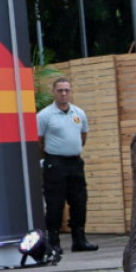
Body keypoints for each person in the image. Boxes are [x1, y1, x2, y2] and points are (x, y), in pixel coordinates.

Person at [35, 77, 97, 253]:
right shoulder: (44, 115)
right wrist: (52, 153)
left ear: (71, 92)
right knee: (55, 203)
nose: (63, 93)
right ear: (54, 92)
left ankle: (80, 240)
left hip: (75, 162)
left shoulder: (79, 113)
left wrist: (72, 149)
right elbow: (38, 140)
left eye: (66, 90)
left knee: (79, 201)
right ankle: (53, 243)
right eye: (60, 90)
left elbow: (83, 136)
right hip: (55, 163)